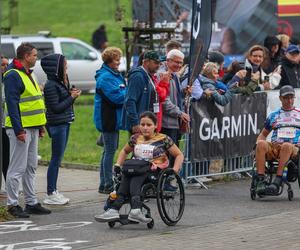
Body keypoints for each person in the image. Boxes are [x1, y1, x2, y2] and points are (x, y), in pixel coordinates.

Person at [94, 111, 184, 223]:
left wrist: (174, 170)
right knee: (128, 173)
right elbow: (124, 151)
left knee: (136, 174)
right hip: (136, 168)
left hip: (155, 171)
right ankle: (115, 209)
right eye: (142, 125)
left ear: (155, 126)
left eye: (149, 125)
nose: (145, 128)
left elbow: (179, 155)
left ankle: (133, 209)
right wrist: (118, 164)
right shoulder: (135, 138)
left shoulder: (163, 139)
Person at [3, 42, 51, 218]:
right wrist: (18, 130)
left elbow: (35, 102)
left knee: (31, 166)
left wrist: (40, 126)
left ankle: (31, 202)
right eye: (34, 56)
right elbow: (12, 104)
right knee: (17, 168)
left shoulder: (29, 74)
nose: (36, 59)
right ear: (25, 57)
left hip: (33, 127)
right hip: (20, 129)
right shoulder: (13, 75)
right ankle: (12, 204)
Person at [41, 53, 81, 205]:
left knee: (58, 159)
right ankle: (51, 193)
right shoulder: (51, 85)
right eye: (64, 64)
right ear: (56, 66)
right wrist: (72, 97)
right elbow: (56, 108)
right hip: (57, 125)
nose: (66, 66)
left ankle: (54, 190)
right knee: (55, 159)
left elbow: (64, 105)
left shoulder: (60, 82)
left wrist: (71, 95)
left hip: (64, 123)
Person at [255, 85, 300, 195]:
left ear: (294, 98)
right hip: (276, 146)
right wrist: (255, 146)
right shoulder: (274, 115)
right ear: (280, 98)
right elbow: (263, 135)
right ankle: (260, 181)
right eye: (286, 98)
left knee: (287, 145)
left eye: (291, 97)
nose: (289, 101)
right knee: (261, 144)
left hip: (294, 148)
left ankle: (277, 181)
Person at [93, 47, 126, 194]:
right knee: (110, 152)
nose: (119, 62)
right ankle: (107, 184)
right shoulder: (105, 77)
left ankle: (103, 183)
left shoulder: (113, 74)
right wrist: (128, 90)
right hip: (108, 119)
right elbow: (117, 97)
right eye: (117, 59)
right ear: (109, 61)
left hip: (112, 118)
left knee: (107, 151)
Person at [122, 50, 161, 134]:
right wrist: (135, 123)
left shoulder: (148, 76)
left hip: (147, 123)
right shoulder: (137, 76)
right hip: (141, 125)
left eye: (159, 63)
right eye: (155, 63)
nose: (158, 66)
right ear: (146, 62)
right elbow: (130, 101)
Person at [159, 49, 190, 148]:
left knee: (174, 155)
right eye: (177, 62)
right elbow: (163, 100)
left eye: (181, 62)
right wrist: (180, 113)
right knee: (167, 156)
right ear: (168, 61)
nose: (179, 65)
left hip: (175, 122)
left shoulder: (175, 74)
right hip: (166, 123)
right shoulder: (162, 75)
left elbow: (176, 95)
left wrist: (184, 91)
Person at [1, 55, 9, 181]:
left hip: (5, 125)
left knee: (6, 156)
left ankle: (8, 184)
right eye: (3, 65)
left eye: (7, 64)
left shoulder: (7, 80)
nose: (6, 67)